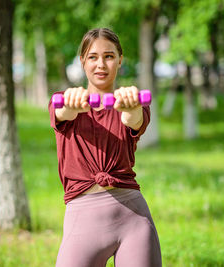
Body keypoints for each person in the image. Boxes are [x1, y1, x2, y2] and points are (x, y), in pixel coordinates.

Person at [48, 28, 162, 267]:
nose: (101, 64)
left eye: (109, 56)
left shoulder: (131, 102)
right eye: (93, 57)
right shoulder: (64, 100)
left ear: (120, 60)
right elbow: (62, 113)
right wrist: (71, 105)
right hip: (82, 220)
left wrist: (131, 107)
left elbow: (134, 120)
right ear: (82, 62)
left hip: (132, 219)